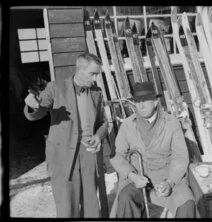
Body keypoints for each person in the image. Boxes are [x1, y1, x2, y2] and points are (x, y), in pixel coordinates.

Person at [24, 53, 108, 218]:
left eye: (97, 74)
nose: (95, 78)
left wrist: (98, 136)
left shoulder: (96, 92)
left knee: (91, 203)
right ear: (80, 70)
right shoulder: (55, 88)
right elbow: (40, 109)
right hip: (63, 155)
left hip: (88, 153)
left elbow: (102, 122)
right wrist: (33, 106)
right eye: (93, 74)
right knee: (66, 206)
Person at [109, 81, 196, 218]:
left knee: (186, 201)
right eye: (137, 101)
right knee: (126, 197)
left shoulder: (171, 123)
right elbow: (116, 155)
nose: (141, 106)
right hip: (138, 179)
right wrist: (132, 176)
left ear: (155, 102)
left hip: (167, 178)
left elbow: (180, 156)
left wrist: (170, 182)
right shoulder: (127, 125)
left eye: (145, 101)